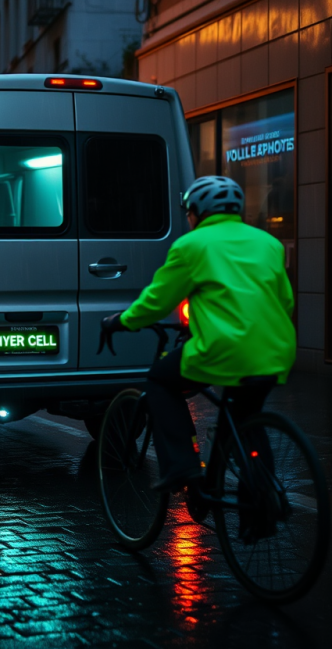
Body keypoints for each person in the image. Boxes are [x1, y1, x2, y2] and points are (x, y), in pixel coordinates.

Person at [100, 175, 296, 492]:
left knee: (160, 381)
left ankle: (182, 466)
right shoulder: (268, 243)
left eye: (189, 211)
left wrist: (120, 321)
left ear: (198, 211)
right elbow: (285, 301)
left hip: (223, 349)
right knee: (246, 416)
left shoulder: (191, 245)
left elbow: (156, 302)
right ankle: (262, 502)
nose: (189, 218)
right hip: (275, 350)